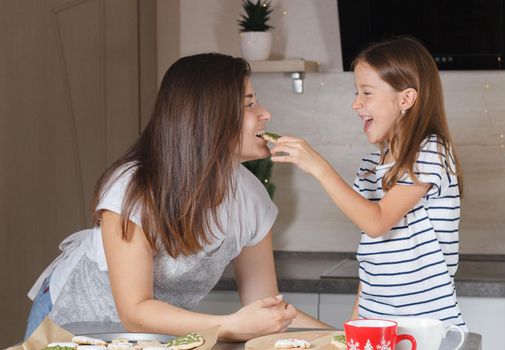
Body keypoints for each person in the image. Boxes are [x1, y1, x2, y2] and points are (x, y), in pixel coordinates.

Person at [25, 53, 326, 341]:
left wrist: (345, 337)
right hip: (72, 324)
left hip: (151, 337)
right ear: (208, 117)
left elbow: (268, 309)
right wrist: (230, 325)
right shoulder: (133, 188)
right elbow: (136, 312)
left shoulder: (250, 198)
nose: (265, 114)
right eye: (249, 104)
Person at [270, 37, 467, 330]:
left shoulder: (431, 151)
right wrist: (355, 322)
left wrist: (319, 167)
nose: (356, 104)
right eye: (356, 92)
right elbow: (374, 259)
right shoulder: (371, 168)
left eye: (367, 93)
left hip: (427, 331)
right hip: (380, 326)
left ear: (405, 99)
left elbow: (378, 223)